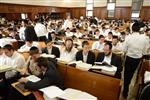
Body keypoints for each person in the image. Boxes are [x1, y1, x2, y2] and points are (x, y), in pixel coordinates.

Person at [122, 22, 148, 98]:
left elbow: (124, 49)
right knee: (132, 73)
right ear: (139, 29)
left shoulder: (128, 37)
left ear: (132, 29)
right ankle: (129, 84)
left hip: (129, 58)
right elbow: (144, 52)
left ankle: (125, 90)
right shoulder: (144, 38)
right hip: (137, 59)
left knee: (126, 74)